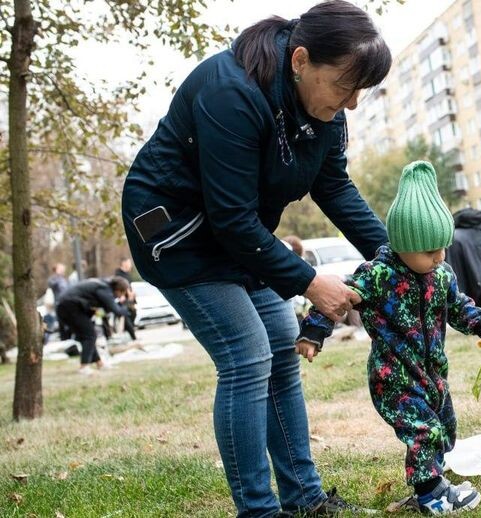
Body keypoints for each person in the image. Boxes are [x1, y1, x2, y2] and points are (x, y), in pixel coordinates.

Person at [120, 2, 391, 515]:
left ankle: (305, 500)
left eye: (362, 91)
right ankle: (259, 509)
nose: (353, 103)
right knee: (247, 359)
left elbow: (334, 187)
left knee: (282, 353)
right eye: (344, 86)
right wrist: (311, 282)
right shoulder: (231, 92)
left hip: (235, 234)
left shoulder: (323, 110)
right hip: (176, 233)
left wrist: (394, 256)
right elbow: (231, 219)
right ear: (301, 60)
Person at [295, 162, 481, 515]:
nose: (438, 258)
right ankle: (431, 494)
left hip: (432, 374)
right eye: (429, 251)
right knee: (423, 430)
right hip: (394, 376)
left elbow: (459, 306)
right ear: (404, 244)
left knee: (444, 427)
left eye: (443, 249)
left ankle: (433, 476)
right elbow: (339, 295)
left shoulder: (441, 275)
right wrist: (315, 331)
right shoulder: (379, 275)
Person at [55, 277, 130, 375]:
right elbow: (116, 310)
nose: (120, 297)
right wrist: (126, 305)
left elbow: (104, 309)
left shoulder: (102, 285)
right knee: (90, 335)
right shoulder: (104, 289)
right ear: (118, 290)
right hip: (70, 306)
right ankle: (84, 367)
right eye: (122, 294)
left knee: (87, 335)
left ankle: (100, 364)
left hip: (64, 306)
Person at [113, 258, 138, 341]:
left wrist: (132, 293)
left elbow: (129, 285)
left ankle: (130, 334)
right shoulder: (118, 274)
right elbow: (122, 285)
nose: (130, 265)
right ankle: (132, 336)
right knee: (125, 317)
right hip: (123, 300)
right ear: (124, 263)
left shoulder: (127, 274)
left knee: (133, 314)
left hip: (130, 299)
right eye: (129, 263)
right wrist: (127, 294)